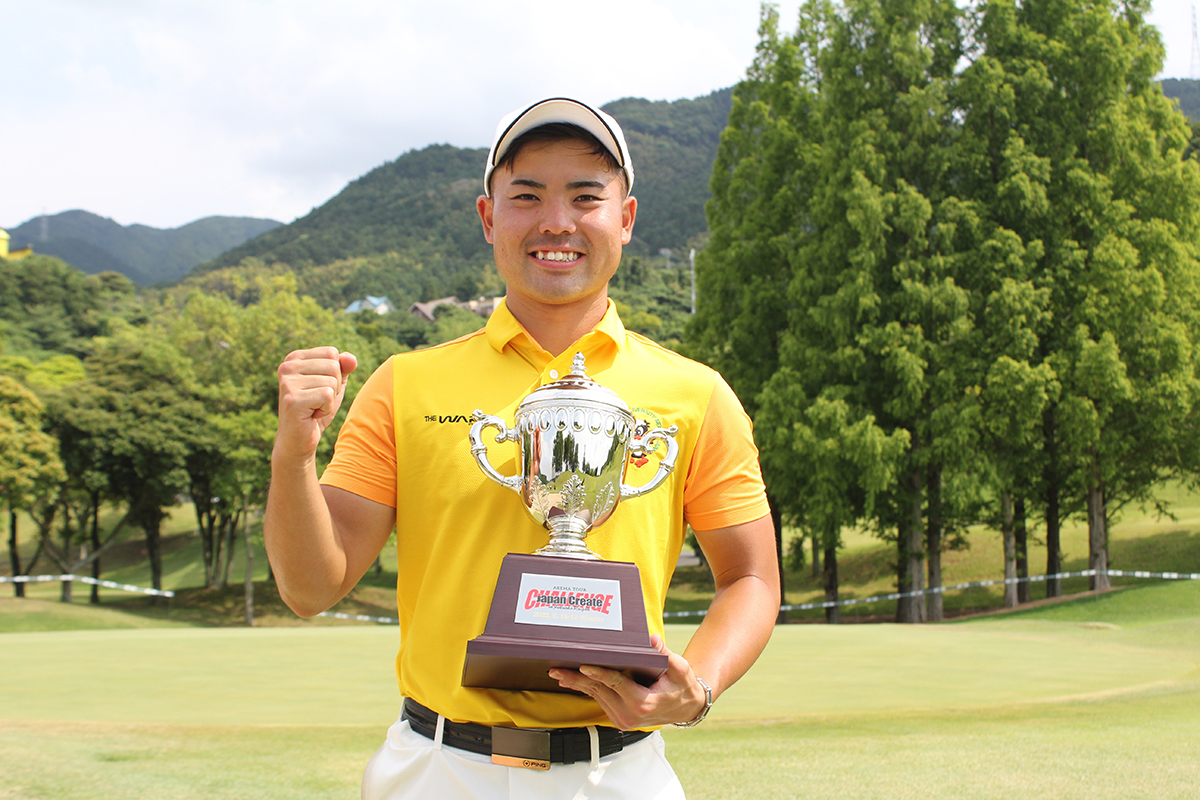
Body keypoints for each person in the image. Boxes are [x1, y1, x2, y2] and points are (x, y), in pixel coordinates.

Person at [265, 97, 780, 800]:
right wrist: (293, 454)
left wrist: (699, 687)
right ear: (488, 218)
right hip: (438, 769)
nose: (556, 223)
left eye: (586, 197)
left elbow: (751, 578)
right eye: (527, 196)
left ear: (625, 220)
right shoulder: (403, 384)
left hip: (619, 772)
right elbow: (310, 586)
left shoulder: (696, 394)